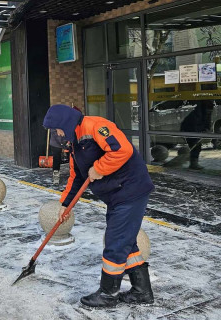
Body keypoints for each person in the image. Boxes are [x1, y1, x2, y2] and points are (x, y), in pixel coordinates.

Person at [43, 105, 155, 308]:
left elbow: (122, 150)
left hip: (130, 190)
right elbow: (76, 177)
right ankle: (142, 291)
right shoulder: (75, 143)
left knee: (116, 242)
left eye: (58, 129)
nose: (58, 135)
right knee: (126, 243)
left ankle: (108, 294)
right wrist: (65, 204)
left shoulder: (96, 126)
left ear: (66, 123)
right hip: (116, 195)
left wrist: (99, 168)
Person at [180, 100, 214, 170]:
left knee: (196, 147)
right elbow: (193, 126)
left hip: (194, 131)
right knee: (195, 147)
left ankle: (193, 163)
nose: (209, 112)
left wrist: (206, 129)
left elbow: (207, 123)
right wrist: (197, 136)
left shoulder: (206, 114)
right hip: (188, 130)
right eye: (208, 110)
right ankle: (193, 164)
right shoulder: (196, 115)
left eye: (210, 111)